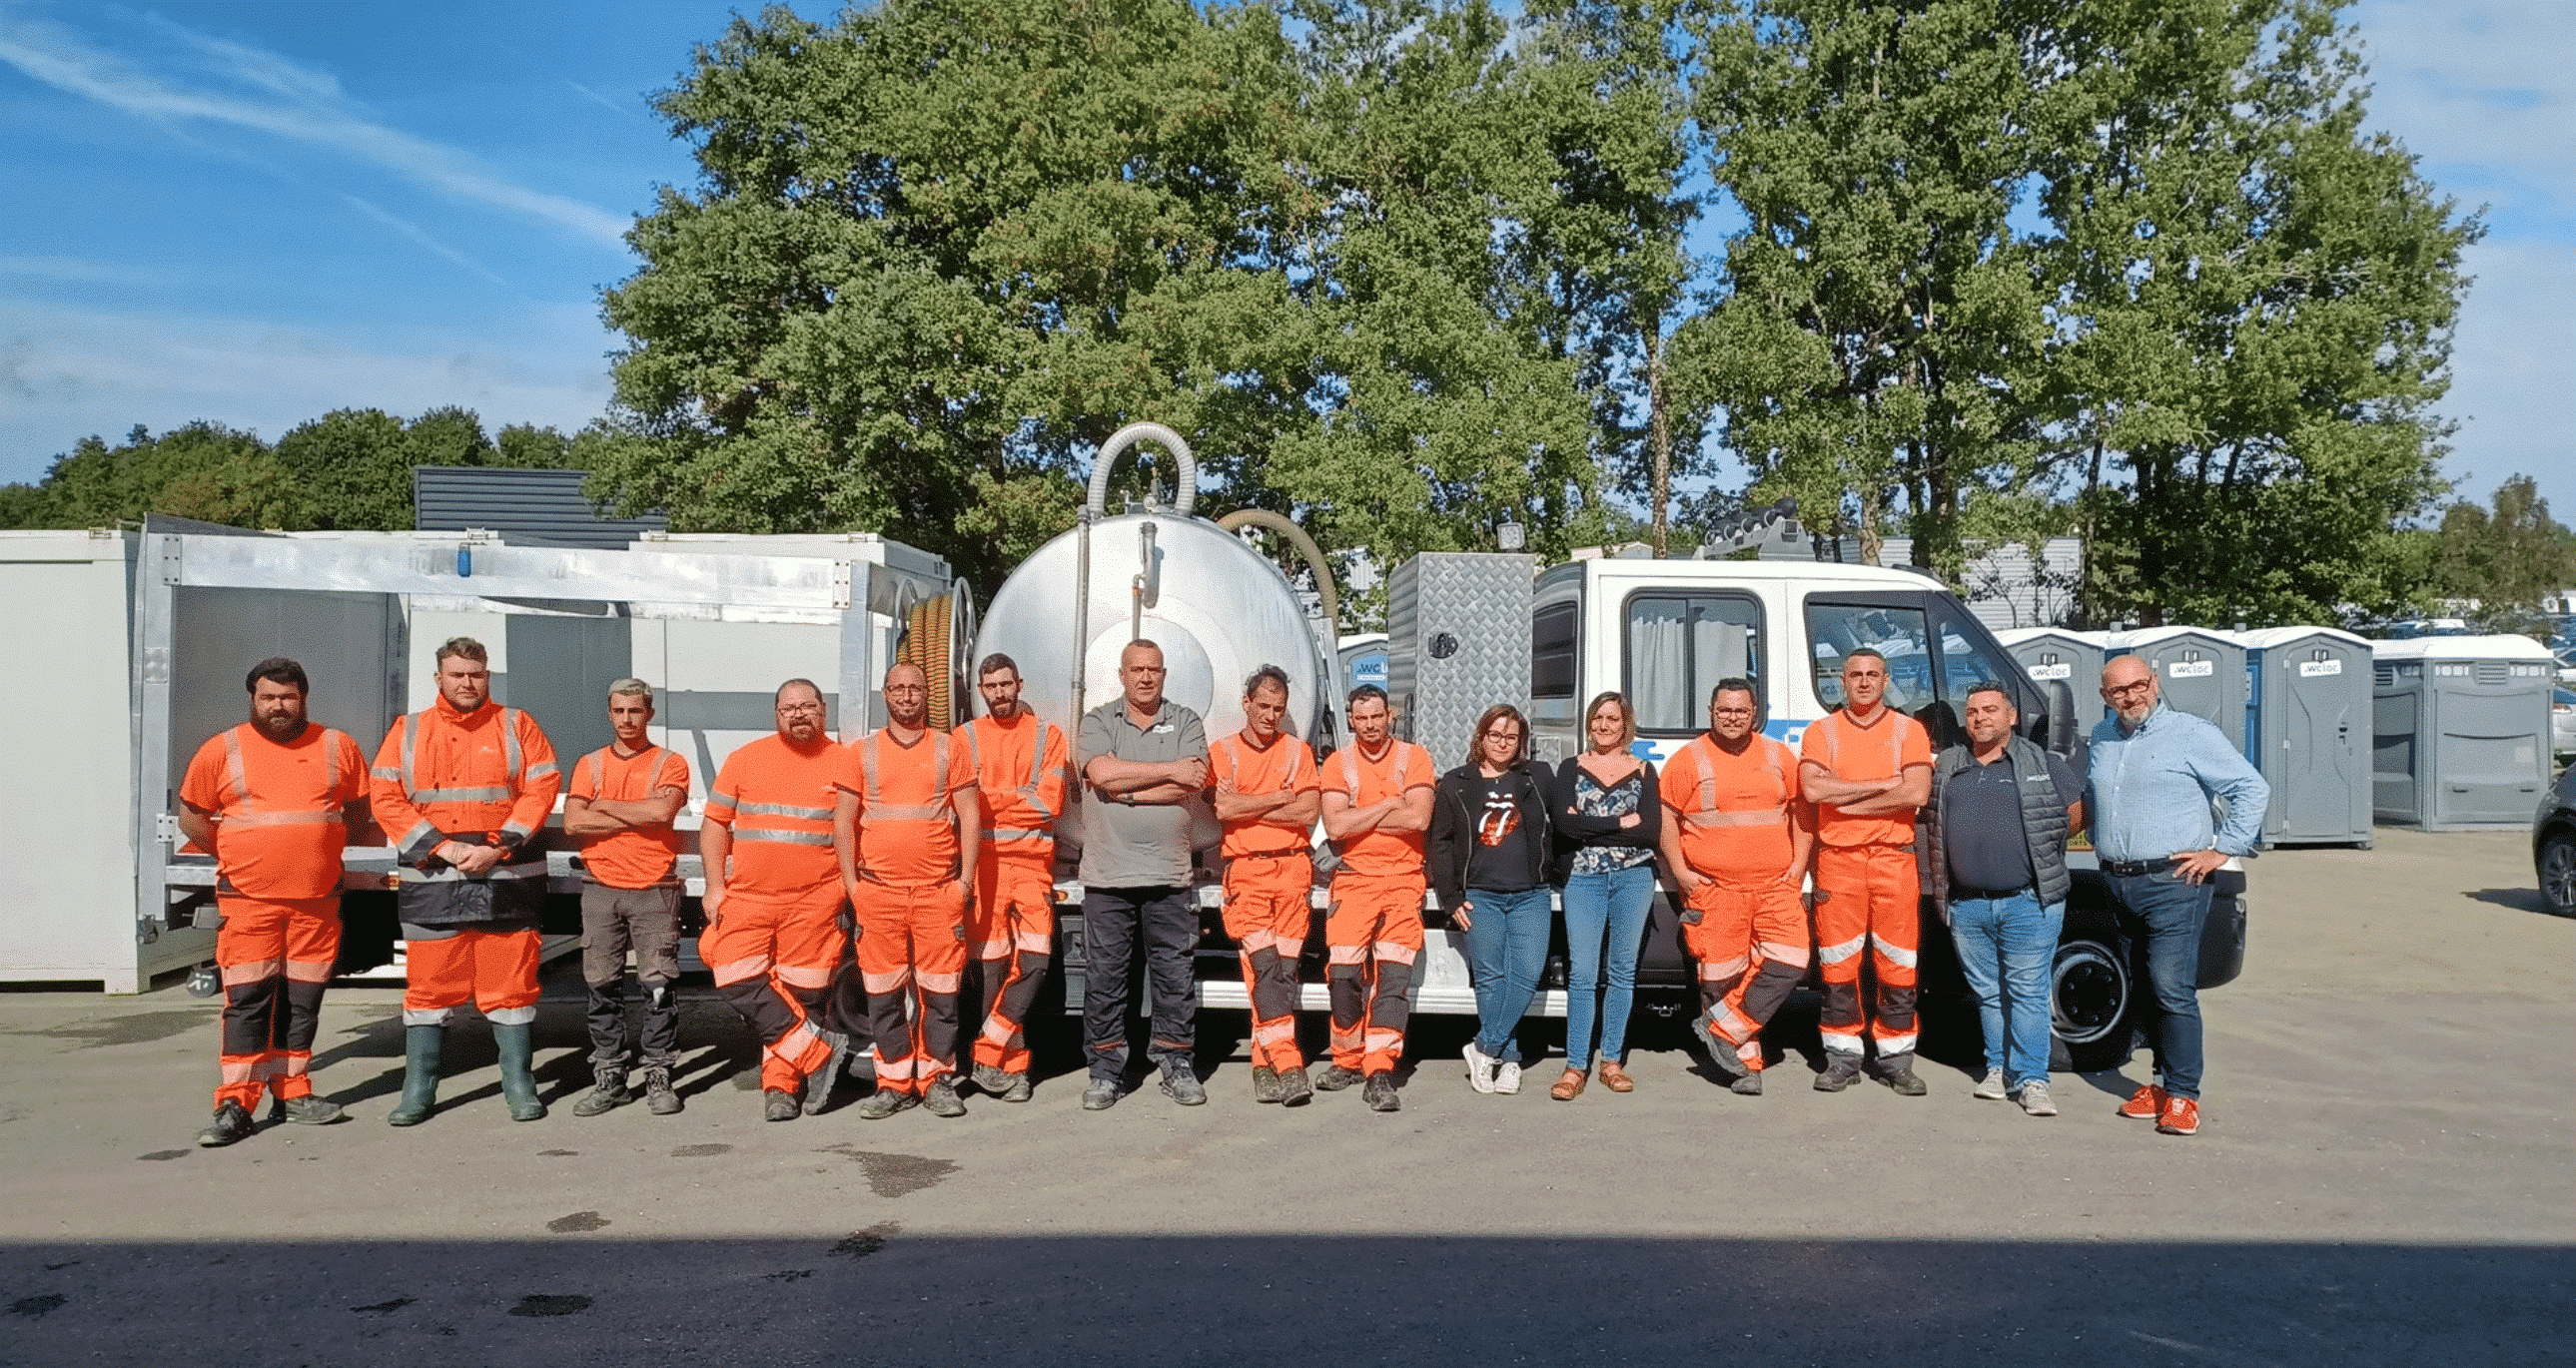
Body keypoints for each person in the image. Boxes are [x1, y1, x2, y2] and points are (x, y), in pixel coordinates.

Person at [177, 657, 369, 1146]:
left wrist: (321, 853)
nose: (278, 705)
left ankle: (293, 1091)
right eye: (268, 697)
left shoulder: (337, 745)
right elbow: (192, 818)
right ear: (252, 699)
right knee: (247, 1001)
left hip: (316, 901)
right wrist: (239, 856)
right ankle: (234, 1105)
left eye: (288, 696)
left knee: (303, 1001)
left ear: (304, 697)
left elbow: (359, 812)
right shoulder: (222, 749)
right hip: (248, 900)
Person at [370, 637, 561, 1125]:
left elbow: (542, 787)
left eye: (475, 674)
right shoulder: (408, 730)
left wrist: (498, 844)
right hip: (435, 879)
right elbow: (385, 797)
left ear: (487, 677)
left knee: (512, 991)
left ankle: (519, 1084)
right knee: (429, 992)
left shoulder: (517, 724)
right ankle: (419, 1090)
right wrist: (446, 848)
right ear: (439, 678)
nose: (466, 683)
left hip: (507, 875)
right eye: (457, 675)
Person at [2088, 655, 2267, 1137]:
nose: (2130, 696)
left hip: (2175, 883)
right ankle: (2160, 1085)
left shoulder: (2190, 734)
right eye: (2118, 691)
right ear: (2105, 697)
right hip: (2119, 881)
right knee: (2143, 987)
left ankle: (2185, 1095)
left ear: (2155, 683)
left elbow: (2251, 787)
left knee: (2171, 987)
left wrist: (2223, 849)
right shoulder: (2102, 739)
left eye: (2138, 685)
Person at [1924, 682, 2081, 1117]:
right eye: (1972, 711)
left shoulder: (2041, 762)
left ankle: (2033, 1080)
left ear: (2011, 717)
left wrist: (2042, 853)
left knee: (2027, 991)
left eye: (1990, 710)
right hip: (1968, 904)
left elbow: (2074, 815)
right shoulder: (1949, 765)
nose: (1979, 718)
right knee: (1989, 994)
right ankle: (1999, 1069)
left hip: (2029, 900)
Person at [701, 679, 854, 1122]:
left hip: (816, 901)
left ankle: (781, 1089)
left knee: (800, 995)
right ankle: (817, 1054)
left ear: (824, 711)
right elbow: (715, 826)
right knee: (731, 973)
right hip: (750, 897)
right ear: (776, 714)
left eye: (808, 706)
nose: (799, 714)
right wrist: (715, 885)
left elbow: (855, 834)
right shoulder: (745, 760)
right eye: (790, 707)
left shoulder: (845, 763)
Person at [833, 663, 982, 1120]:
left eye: (915, 688)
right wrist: (853, 886)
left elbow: (971, 817)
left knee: (941, 992)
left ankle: (936, 1078)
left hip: (938, 893)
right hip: (879, 893)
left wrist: (964, 883)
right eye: (898, 688)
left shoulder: (949, 748)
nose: (907, 696)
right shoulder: (861, 752)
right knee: (882, 992)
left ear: (927, 694)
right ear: (885, 695)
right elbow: (843, 822)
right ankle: (895, 1081)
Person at [1075, 639, 1212, 1110]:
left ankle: (1176, 1064)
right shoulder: (1097, 721)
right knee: (1106, 978)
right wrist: (1166, 771)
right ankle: (1106, 1071)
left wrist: (1127, 791)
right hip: (1108, 875)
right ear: (1122, 674)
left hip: (1170, 874)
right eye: (1137, 669)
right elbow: (1101, 775)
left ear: (1164, 673)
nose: (1146, 677)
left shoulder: (1187, 720)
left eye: (1154, 669)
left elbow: (1192, 781)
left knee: (1174, 975)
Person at [1658, 679, 1811, 1097]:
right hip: (1717, 890)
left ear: (1754, 712)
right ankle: (1746, 1068)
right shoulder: (1687, 759)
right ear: (1711, 711)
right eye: (1724, 710)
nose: (1732, 717)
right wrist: (1681, 871)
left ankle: (1721, 1028)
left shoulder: (1779, 755)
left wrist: (1798, 866)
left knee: (1792, 960)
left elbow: (1801, 813)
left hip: (1774, 886)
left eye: (1741, 710)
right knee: (1723, 980)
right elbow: (1666, 819)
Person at [1798, 648, 1933, 1094]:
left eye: (1872, 674)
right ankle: (1842, 1057)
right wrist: (1881, 785)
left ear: (1886, 680)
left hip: (1894, 859)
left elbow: (1915, 790)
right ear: (1842, 679)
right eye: (1855, 674)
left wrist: (1848, 799)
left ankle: (1896, 1059)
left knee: (1899, 962)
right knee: (1838, 963)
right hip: (1839, 863)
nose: (1863, 681)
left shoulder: (1908, 730)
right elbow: (1813, 789)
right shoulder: (1822, 732)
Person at [560, 678, 691, 1117]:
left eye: (635, 711)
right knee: (602, 987)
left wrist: (604, 807)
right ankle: (611, 1076)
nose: (627, 719)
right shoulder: (591, 764)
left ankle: (658, 1074)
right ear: (609, 713)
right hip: (600, 888)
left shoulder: (670, 763)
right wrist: (633, 813)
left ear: (649, 713)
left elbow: (660, 813)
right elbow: (574, 824)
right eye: (619, 711)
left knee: (657, 986)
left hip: (655, 888)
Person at [956, 654, 1069, 1104]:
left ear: (1019, 683)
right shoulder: (965, 738)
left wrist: (988, 800)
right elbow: (961, 806)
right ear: (980, 690)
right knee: (992, 971)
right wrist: (1014, 798)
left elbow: (1050, 804)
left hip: (1031, 866)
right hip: (982, 866)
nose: (999, 693)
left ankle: (985, 1052)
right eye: (991, 686)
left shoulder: (1048, 736)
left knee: (1036, 963)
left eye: (1006, 684)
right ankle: (1009, 1070)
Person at [1207, 665, 1321, 1105]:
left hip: (1293, 871)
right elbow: (1223, 809)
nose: (1270, 715)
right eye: (1263, 706)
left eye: (1279, 708)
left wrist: (1248, 807)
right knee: (1266, 967)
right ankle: (1289, 1064)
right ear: (1246, 703)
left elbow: (1307, 815)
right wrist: (1279, 796)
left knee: (1281, 973)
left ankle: (1262, 1065)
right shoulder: (1224, 751)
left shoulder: (1298, 752)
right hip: (1247, 872)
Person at [1318, 685, 1435, 1113]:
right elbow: (1334, 828)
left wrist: (1360, 817)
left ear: (1391, 716)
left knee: (1392, 979)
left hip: (1404, 882)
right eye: (1361, 717)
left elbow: (1419, 816)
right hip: (1353, 882)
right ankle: (1346, 1059)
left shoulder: (1414, 757)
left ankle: (1380, 1070)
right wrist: (1390, 805)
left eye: (1377, 716)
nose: (1369, 725)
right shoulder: (1337, 763)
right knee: (1344, 974)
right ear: (1350, 718)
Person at [1429, 704, 1554, 1097]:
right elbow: (1440, 843)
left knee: (1528, 972)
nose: (1502, 743)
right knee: (1491, 978)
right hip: (1480, 895)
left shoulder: (1537, 777)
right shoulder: (1455, 782)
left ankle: (1483, 1047)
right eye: (1495, 735)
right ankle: (1510, 1060)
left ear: (1521, 743)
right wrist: (1450, 898)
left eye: (1511, 737)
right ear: (1481, 737)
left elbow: (1564, 822)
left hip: (1530, 894)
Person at [1551, 692, 1662, 1100]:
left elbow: (1649, 832)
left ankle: (1611, 1061)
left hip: (1634, 879)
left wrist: (1591, 825)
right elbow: (1564, 826)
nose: (1603, 725)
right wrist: (1621, 822)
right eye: (1597, 718)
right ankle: (1575, 1065)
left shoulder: (1645, 770)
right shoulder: (1571, 767)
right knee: (1582, 975)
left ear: (1625, 724)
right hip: (1584, 879)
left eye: (1612, 719)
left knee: (1622, 972)